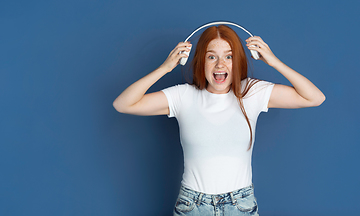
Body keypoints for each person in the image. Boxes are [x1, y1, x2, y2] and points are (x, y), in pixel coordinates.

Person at [113, 25, 325, 216]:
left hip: (240, 206)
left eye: (229, 56)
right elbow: (123, 104)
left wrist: (274, 61)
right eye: (211, 56)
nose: (220, 64)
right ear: (201, 61)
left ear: (238, 60)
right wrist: (165, 68)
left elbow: (314, 97)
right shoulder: (183, 96)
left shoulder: (251, 92)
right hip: (192, 206)